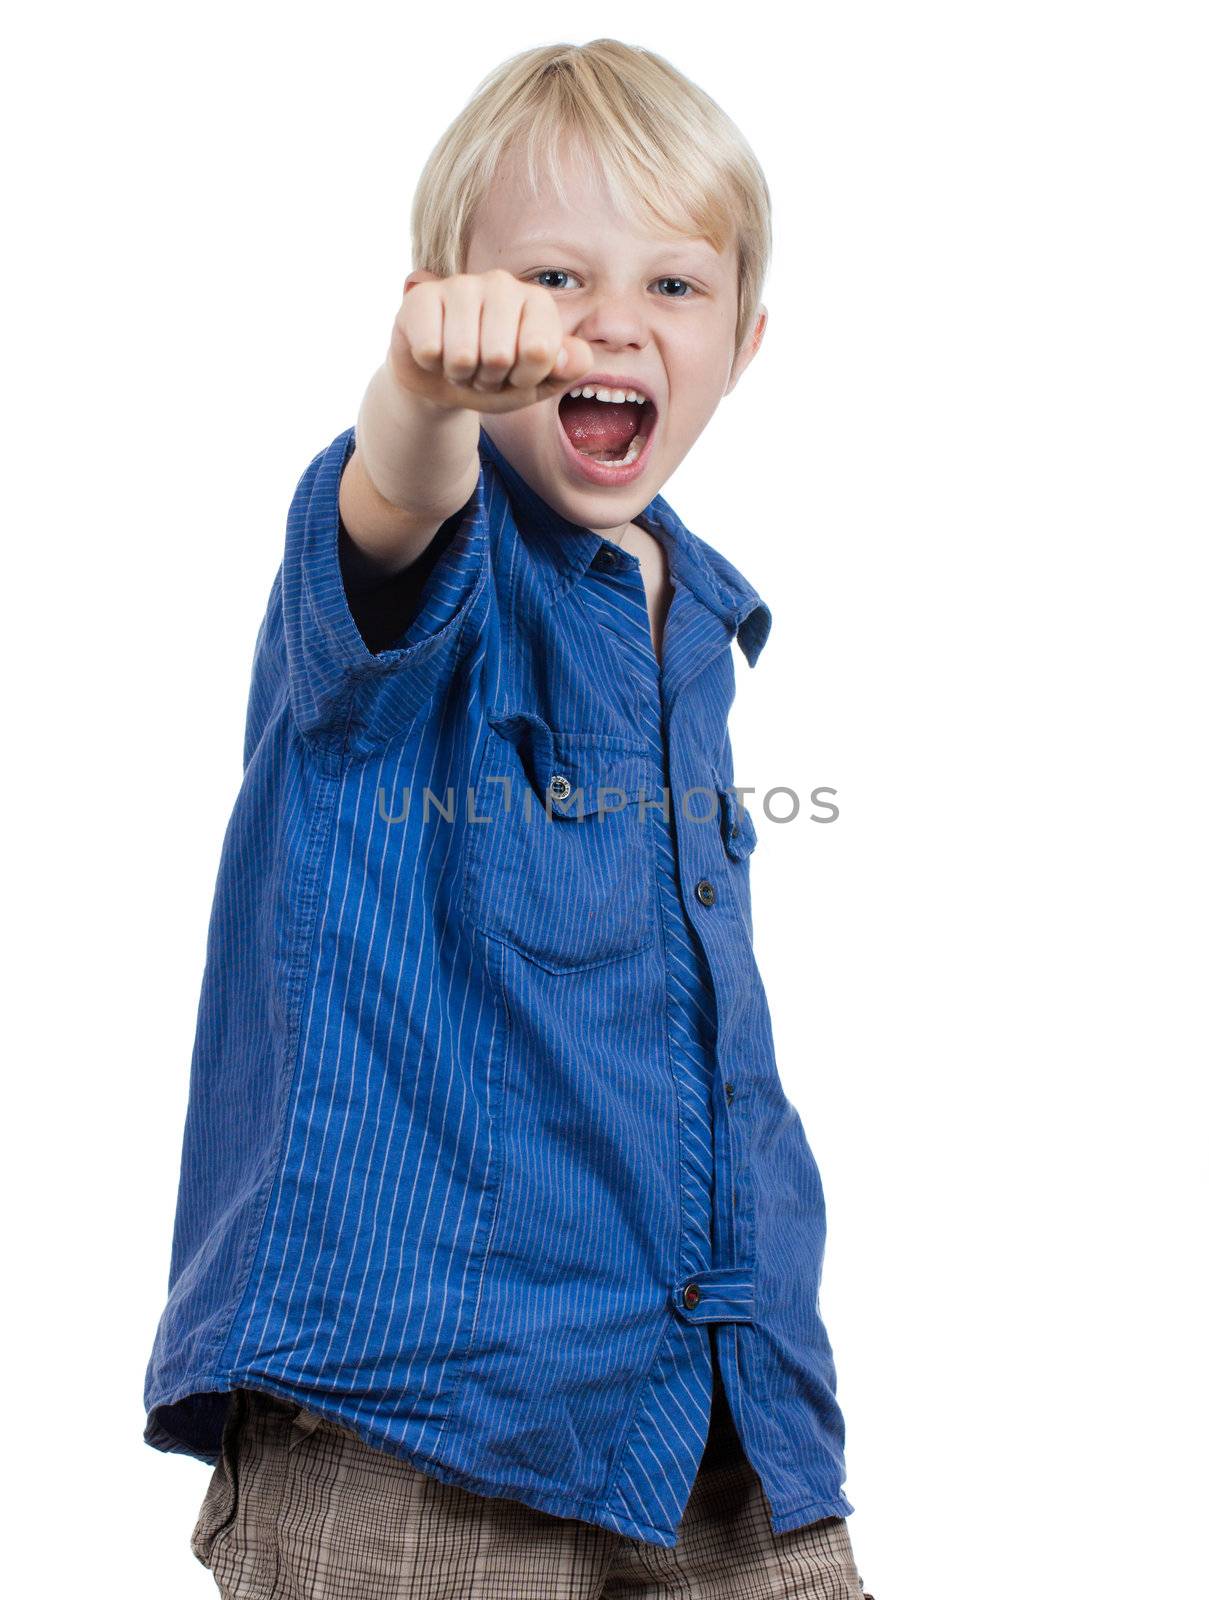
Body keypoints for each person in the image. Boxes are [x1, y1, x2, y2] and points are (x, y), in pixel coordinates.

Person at [143, 37, 874, 1599]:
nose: (612, 319)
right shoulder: (429, 543)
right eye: (549, 277)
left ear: (743, 344)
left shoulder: (692, 620)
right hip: (424, 1428)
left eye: (673, 288)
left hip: (720, 1416)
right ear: (448, 304)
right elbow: (394, 498)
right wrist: (419, 394)